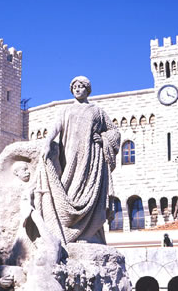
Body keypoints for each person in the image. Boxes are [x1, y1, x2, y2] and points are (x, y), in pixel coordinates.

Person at [35, 76, 120, 244]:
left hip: (91, 158)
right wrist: (46, 143)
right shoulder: (66, 110)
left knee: (89, 191)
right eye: (75, 86)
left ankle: (87, 232)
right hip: (69, 156)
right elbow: (55, 127)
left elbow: (115, 132)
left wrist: (103, 138)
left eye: (81, 86)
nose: (77, 89)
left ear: (87, 89)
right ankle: (65, 228)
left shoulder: (97, 111)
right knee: (68, 188)